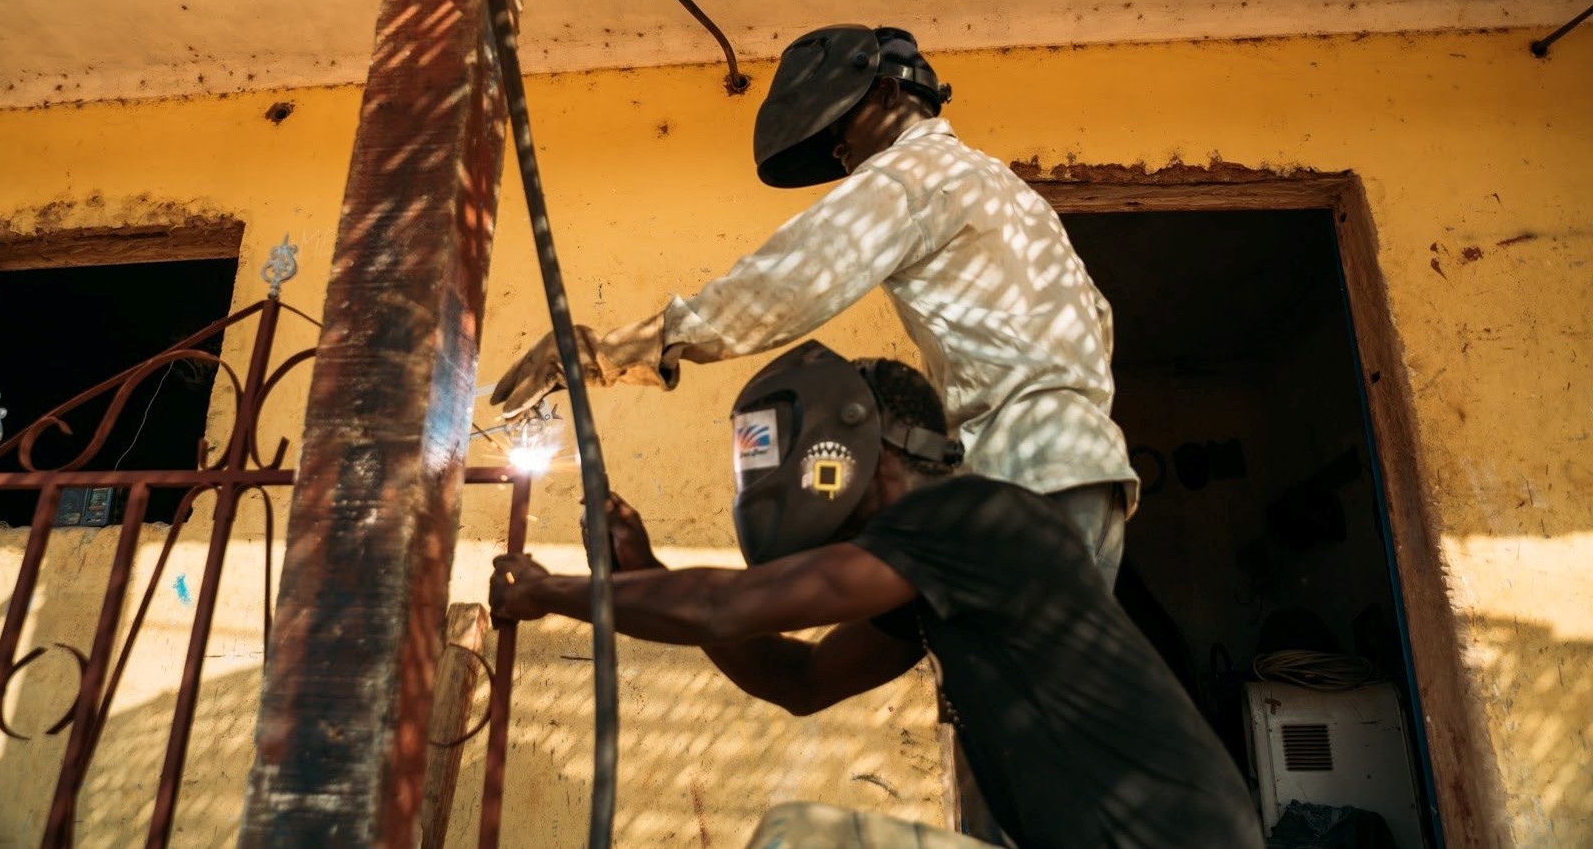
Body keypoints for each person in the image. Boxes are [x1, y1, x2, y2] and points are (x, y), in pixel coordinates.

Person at [489, 342, 1262, 849]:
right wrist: (642, 570)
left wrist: (550, 591)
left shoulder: (967, 515)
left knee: (800, 841)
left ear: (864, 438)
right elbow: (800, 680)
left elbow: (729, 605)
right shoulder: (941, 572)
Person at [489, 25, 1137, 588]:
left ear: (888, 94)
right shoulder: (1004, 188)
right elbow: (1096, 323)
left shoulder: (912, 176)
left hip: (1022, 471)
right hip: (1086, 473)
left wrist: (601, 353)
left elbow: (782, 289)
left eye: (838, 124)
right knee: (1050, 680)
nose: (835, 149)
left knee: (1006, 680)